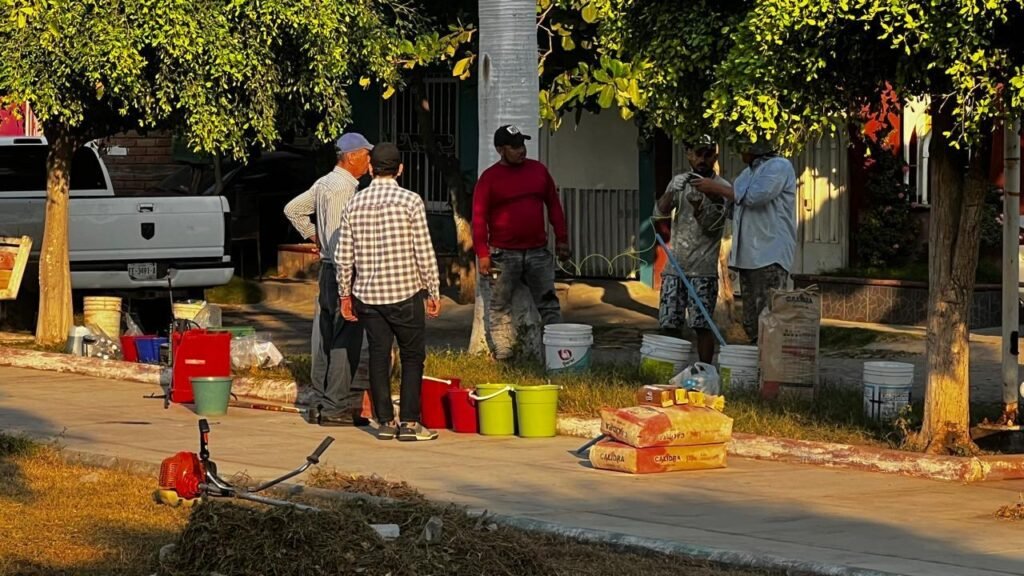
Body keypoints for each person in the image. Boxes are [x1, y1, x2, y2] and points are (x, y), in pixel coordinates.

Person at [336, 142, 442, 442]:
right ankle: (409, 422)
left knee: (379, 355)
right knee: (412, 357)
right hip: (405, 293)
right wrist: (433, 290)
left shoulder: (354, 203)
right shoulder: (410, 201)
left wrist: (345, 294)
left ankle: (384, 421)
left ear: (370, 169)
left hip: (368, 296)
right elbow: (424, 250)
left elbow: (344, 255)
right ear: (400, 170)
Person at [283, 133, 373, 426]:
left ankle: (319, 403)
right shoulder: (341, 189)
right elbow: (338, 238)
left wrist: (314, 236)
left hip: (328, 268)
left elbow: (293, 210)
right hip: (340, 270)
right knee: (345, 336)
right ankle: (335, 407)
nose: (369, 161)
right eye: (366, 155)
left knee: (324, 335)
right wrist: (346, 272)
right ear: (351, 157)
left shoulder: (325, 182)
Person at [472, 124, 571, 360]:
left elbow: (554, 206)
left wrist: (562, 239)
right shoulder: (489, 178)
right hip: (504, 254)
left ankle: (559, 349)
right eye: (514, 147)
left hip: (537, 251)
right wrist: (482, 253)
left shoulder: (538, 171)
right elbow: (478, 217)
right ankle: (504, 351)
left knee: (549, 303)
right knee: (499, 304)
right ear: (500, 149)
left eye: (522, 145)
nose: (521, 150)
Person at [695, 139, 797, 343]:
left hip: (770, 253)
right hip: (748, 255)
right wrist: (710, 196)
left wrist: (717, 188)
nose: (740, 152)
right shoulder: (745, 174)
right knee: (751, 321)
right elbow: (735, 208)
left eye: (743, 146)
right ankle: (757, 355)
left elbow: (755, 197)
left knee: (768, 316)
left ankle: (771, 358)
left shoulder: (779, 166)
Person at [655, 135, 731, 364]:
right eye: (698, 154)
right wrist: (672, 190)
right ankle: (668, 370)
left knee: (702, 326)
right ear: (689, 155)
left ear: (715, 156)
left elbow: (712, 226)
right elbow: (658, 213)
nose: (702, 160)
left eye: (708, 155)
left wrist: (703, 204)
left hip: (703, 270)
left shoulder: (722, 187)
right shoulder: (680, 181)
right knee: (669, 325)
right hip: (675, 267)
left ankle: (705, 370)